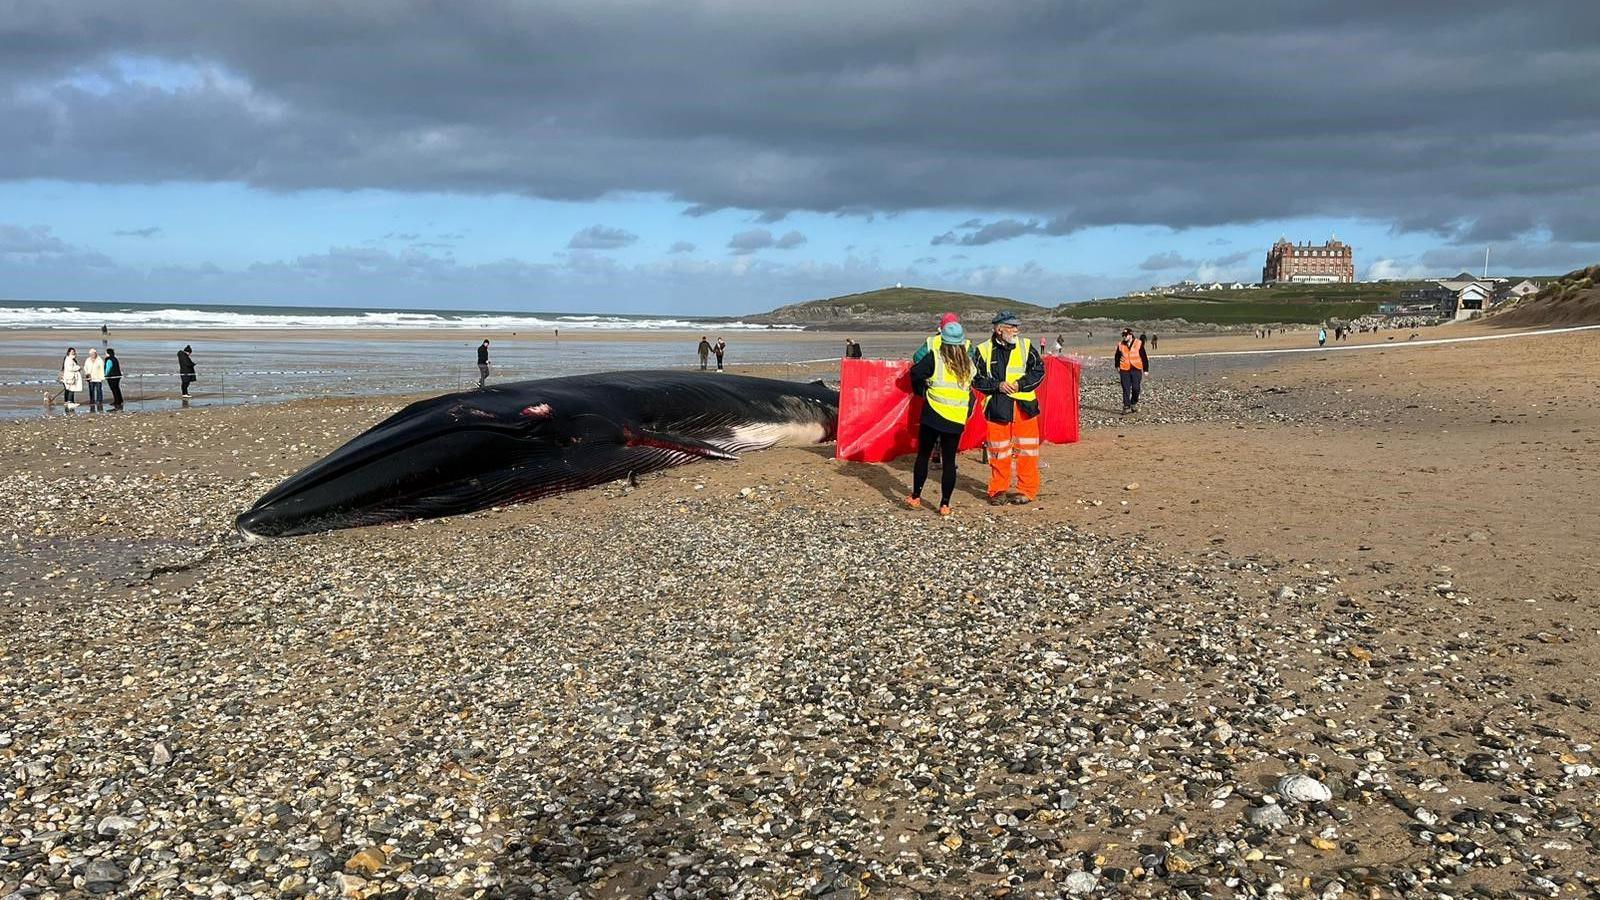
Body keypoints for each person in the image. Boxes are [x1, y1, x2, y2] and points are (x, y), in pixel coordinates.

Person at [973, 311, 1045, 505]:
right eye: (1012, 326)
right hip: (997, 407)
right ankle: (998, 491)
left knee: (1028, 451)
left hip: (1024, 407)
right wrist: (997, 386)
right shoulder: (982, 350)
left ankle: (1027, 490)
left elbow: (1038, 371)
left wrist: (1020, 385)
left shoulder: (1026, 346)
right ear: (998, 329)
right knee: (998, 451)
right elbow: (976, 379)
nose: (1016, 330)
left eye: (1016, 326)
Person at [905, 318, 975, 517]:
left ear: (943, 340)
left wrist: (922, 391)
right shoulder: (969, 363)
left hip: (933, 414)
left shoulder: (935, 357)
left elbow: (916, 373)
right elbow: (973, 385)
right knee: (949, 461)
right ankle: (945, 504)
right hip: (956, 418)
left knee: (923, 455)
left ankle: (916, 496)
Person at [1114, 327, 1148, 414]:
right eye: (1123, 335)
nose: (1124, 337)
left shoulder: (1138, 343)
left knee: (1136, 388)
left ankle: (1133, 403)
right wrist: (1117, 366)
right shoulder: (1120, 344)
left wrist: (1146, 369)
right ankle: (1126, 406)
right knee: (1126, 388)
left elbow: (1144, 357)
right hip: (1124, 369)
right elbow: (1117, 356)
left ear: (1130, 335)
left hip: (1136, 368)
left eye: (1125, 335)